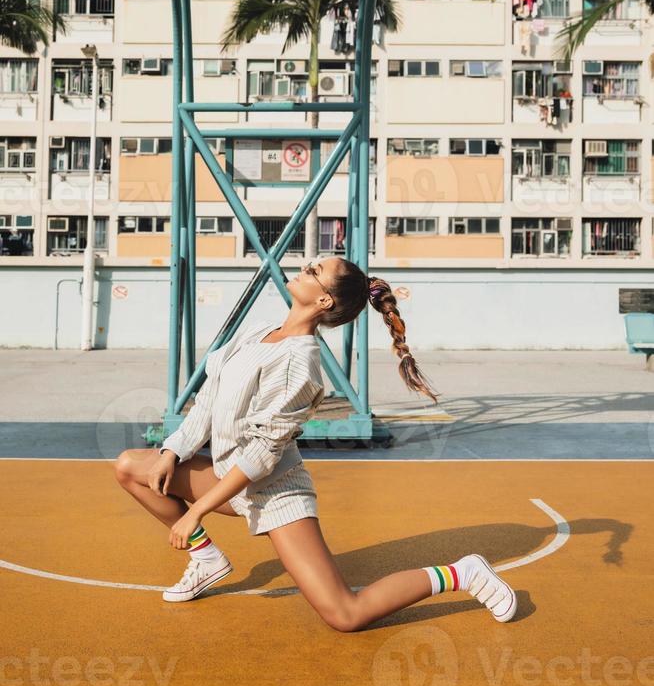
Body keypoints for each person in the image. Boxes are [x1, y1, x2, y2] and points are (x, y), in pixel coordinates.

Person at [114, 256, 517, 629]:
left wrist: (195, 512)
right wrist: (172, 451)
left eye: (314, 270)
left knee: (345, 614)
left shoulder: (299, 363)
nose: (305, 267)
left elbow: (261, 455)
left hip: (273, 493)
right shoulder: (259, 331)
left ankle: (462, 572)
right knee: (133, 467)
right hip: (227, 477)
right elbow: (208, 401)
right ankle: (207, 559)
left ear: (324, 299)